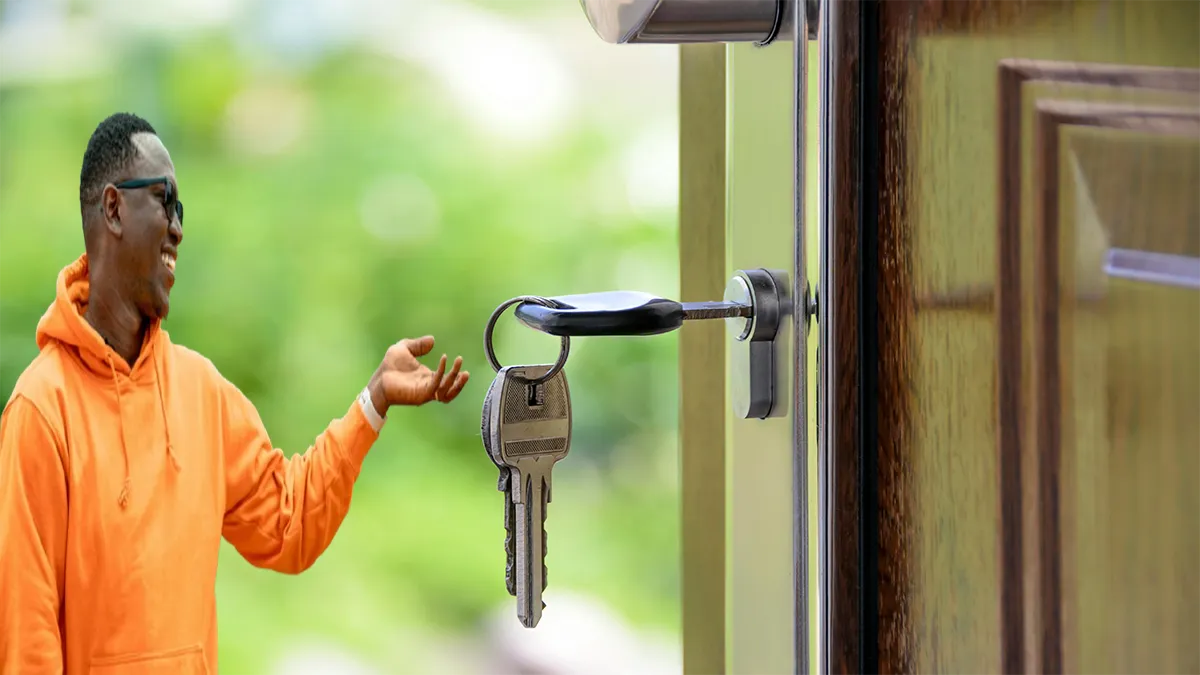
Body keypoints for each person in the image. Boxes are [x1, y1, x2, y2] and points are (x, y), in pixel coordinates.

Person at [0, 112, 470, 674]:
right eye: (163, 199)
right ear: (113, 208)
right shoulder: (41, 409)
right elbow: (27, 635)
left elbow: (288, 525)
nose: (177, 226)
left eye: (182, 210)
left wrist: (372, 402)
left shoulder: (201, 391)